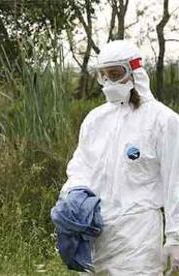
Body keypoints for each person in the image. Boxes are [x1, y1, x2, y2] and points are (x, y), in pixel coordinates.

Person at [59, 40, 179, 275]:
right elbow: (81, 165)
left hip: (139, 237)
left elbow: (176, 181)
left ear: (135, 72)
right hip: (95, 232)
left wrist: (175, 236)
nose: (109, 82)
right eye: (103, 75)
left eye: (115, 74)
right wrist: (72, 196)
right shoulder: (96, 119)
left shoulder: (163, 121)